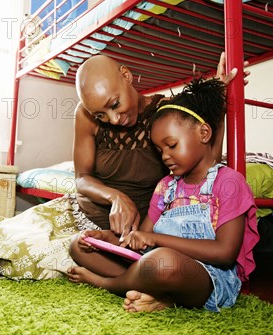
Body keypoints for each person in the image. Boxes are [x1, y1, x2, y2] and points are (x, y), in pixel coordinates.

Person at [0, 53, 246, 280]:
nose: (114, 119)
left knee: (49, 260)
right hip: (89, 214)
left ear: (126, 76)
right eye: (102, 115)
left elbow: (205, 158)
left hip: (142, 230)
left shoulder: (164, 113)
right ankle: (137, 279)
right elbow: (81, 178)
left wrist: (219, 95)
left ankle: (138, 280)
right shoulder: (85, 115)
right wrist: (116, 197)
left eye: (115, 104)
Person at [67, 77, 260, 313]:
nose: (165, 156)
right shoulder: (166, 186)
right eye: (159, 150)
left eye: (171, 145)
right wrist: (107, 239)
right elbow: (143, 238)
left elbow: (225, 253)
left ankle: (105, 283)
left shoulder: (229, 182)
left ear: (204, 133)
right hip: (156, 264)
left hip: (209, 278)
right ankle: (161, 297)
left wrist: (157, 241)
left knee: (162, 263)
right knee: (79, 244)